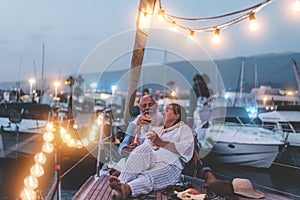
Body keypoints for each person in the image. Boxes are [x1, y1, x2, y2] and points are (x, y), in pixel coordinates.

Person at [109, 103, 195, 199]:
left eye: (167, 110)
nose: (162, 112)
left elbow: (186, 149)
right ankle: (121, 181)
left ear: (177, 115)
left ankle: (126, 189)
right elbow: (141, 142)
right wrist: (138, 133)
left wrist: (161, 143)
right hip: (152, 160)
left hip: (170, 164)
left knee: (149, 175)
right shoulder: (158, 129)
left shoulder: (184, 129)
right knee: (143, 149)